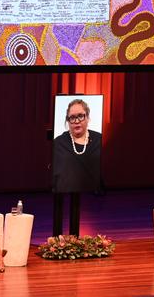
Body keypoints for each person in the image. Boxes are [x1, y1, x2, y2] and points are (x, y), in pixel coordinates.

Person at [52, 98, 102, 237]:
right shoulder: (59, 142)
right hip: (62, 188)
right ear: (67, 121)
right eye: (72, 118)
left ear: (87, 117)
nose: (77, 121)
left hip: (92, 193)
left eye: (80, 116)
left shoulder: (99, 140)